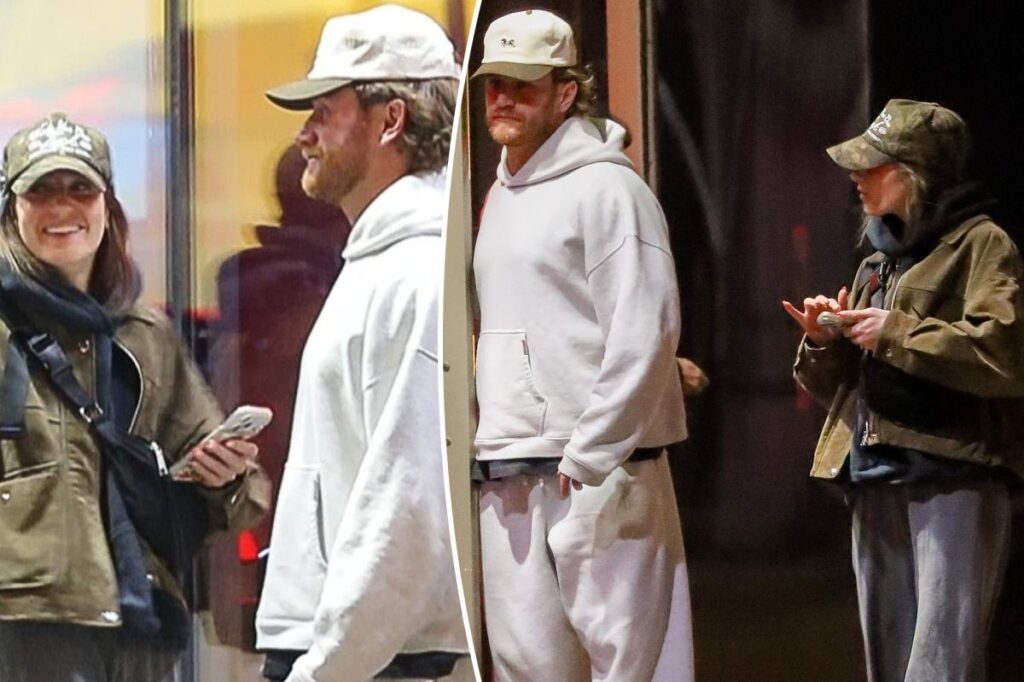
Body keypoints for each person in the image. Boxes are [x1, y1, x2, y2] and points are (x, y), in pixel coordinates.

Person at [0, 112, 270, 682]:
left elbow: (243, 494)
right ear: (11, 209)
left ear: (108, 206)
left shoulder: (146, 338)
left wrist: (224, 475)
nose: (62, 208)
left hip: (141, 631)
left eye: (80, 189)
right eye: (41, 191)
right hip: (24, 634)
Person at [470, 9, 693, 681]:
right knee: (527, 667)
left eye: (523, 84)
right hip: (511, 465)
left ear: (566, 91)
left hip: (598, 470)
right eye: (494, 83)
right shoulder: (498, 194)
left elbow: (646, 324)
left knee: (630, 665)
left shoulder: (609, 188)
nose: (503, 98)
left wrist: (592, 450)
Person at [253, 5, 469, 681]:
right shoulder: (383, 261)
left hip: (370, 659)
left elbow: (410, 502)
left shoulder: (415, 273)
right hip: (354, 650)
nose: (304, 134)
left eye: (324, 110)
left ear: (391, 119)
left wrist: (323, 670)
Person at [783, 99, 1024, 681]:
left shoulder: (981, 245)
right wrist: (824, 342)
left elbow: (1002, 353)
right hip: (874, 474)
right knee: (888, 663)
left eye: (873, 164)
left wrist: (894, 331)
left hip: (950, 473)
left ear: (914, 173)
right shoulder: (877, 260)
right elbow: (842, 388)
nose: (856, 176)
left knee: (941, 663)